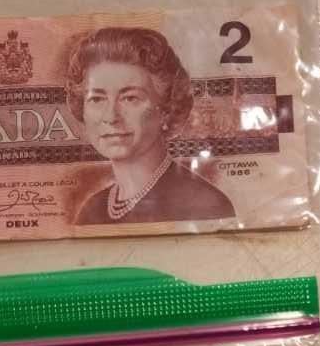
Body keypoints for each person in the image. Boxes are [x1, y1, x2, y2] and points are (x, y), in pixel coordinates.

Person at [66, 27, 236, 225]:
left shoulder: (205, 205)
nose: (111, 117)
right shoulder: (91, 210)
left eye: (130, 98)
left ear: (166, 109)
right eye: (97, 99)